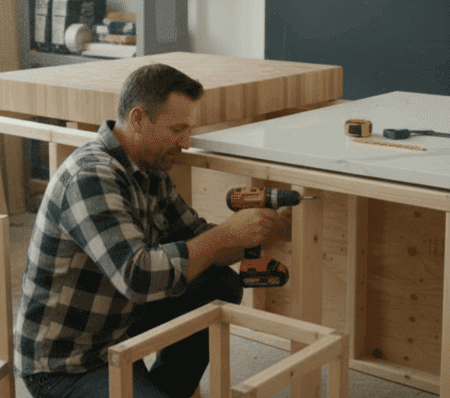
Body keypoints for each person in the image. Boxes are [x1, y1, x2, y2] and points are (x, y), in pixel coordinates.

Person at [15, 63, 280, 398]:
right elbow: (138, 276)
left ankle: (162, 390)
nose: (185, 141)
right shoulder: (90, 177)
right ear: (139, 119)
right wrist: (226, 235)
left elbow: (196, 235)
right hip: (67, 362)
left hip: (116, 328)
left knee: (218, 284)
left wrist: (257, 231)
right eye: (177, 129)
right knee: (179, 270)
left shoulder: (150, 169)